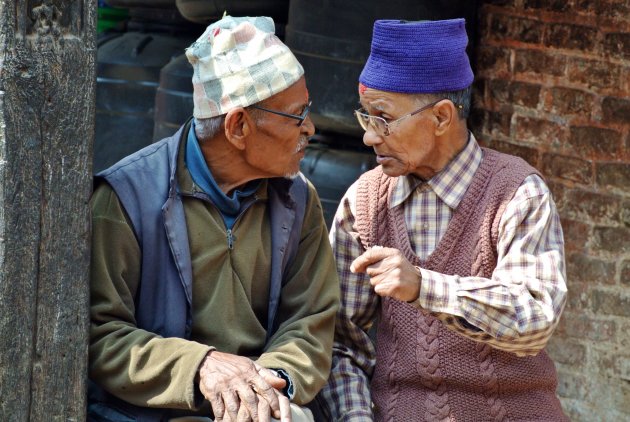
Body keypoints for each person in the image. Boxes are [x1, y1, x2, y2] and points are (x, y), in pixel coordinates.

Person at [88, 15, 339, 422]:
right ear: (238, 126)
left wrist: (268, 382)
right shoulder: (127, 198)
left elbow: (310, 320)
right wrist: (200, 366)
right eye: (296, 115)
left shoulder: (297, 199)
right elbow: (99, 335)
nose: (309, 128)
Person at [318, 18, 569, 421]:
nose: (368, 136)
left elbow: (534, 317)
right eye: (365, 116)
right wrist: (356, 417)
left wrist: (423, 286)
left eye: (382, 118)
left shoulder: (517, 192)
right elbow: (337, 343)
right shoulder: (363, 202)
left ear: (441, 117)